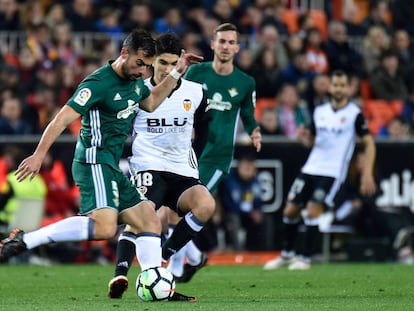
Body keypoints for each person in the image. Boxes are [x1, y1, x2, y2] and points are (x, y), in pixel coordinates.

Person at [0, 28, 203, 302]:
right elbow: (61, 119)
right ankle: (26, 241)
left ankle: (157, 286)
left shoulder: (136, 82)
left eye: (147, 66)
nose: (143, 71)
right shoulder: (97, 83)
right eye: (139, 63)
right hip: (93, 160)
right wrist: (38, 155)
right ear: (123, 53)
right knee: (105, 228)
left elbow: (153, 103)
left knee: (150, 221)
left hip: (110, 167)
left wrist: (179, 71)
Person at [107, 32, 215, 298]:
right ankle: (120, 273)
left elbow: (204, 128)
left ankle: (163, 260)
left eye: (173, 63)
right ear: (152, 62)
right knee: (141, 218)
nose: (168, 69)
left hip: (182, 170)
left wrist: (194, 160)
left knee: (206, 205)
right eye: (163, 63)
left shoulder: (197, 92)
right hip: (148, 166)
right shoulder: (139, 91)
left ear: (181, 62)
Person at [167, 22, 262, 282]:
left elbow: (249, 114)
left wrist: (254, 131)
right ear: (212, 44)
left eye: (231, 42)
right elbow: (175, 98)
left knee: (186, 209)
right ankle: (195, 257)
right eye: (222, 41)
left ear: (238, 48)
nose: (226, 47)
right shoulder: (197, 72)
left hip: (218, 157)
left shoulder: (245, 82)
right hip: (189, 152)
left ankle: (173, 270)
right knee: (171, 209)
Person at [263, 70, 377, 270]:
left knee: (313, 209)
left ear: (349, 88)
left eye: (343, 85)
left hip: (332, 172)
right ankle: (287, 254)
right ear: (330, 87)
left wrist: (367, 173)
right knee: (290, 209)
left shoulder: (354, 115)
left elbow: (369, 144)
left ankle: (305, 258)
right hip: (311, 167)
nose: (339, 89)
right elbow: (312, 142)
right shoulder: (319, 112)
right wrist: (304, 138)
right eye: (336, 85)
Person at [217, 152, 263, 250]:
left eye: (250, 168)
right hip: (231, 214)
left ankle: (262, 250)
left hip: (248, 215)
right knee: (234, 218)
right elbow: (229, 204)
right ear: (239, 167)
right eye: (245, 167)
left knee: (265, 219)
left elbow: (258, 201)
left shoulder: (255, 182)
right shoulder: (229, 180)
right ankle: (238, 250)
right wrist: (249, 212)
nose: (248, 171)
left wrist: (256, 210)